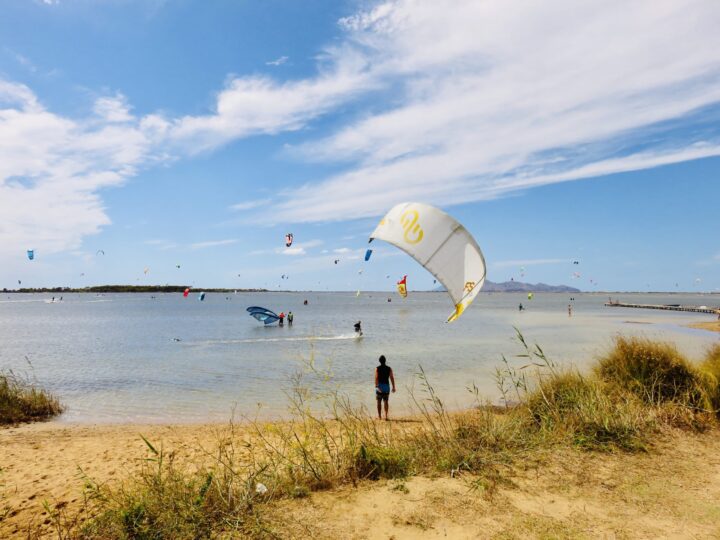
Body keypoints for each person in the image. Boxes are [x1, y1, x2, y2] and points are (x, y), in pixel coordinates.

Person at [375, 355, 396, 420]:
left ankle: (379, 416)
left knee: (379, 402)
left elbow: (376, 378)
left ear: (379, 361)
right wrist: (393, 387)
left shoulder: (377, 368)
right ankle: (386, 416)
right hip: (386, 387)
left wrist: (376, 386)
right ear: (385, 361)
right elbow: (392, 378)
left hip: (380, 387)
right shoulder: (389, 368)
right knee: (386, 401)